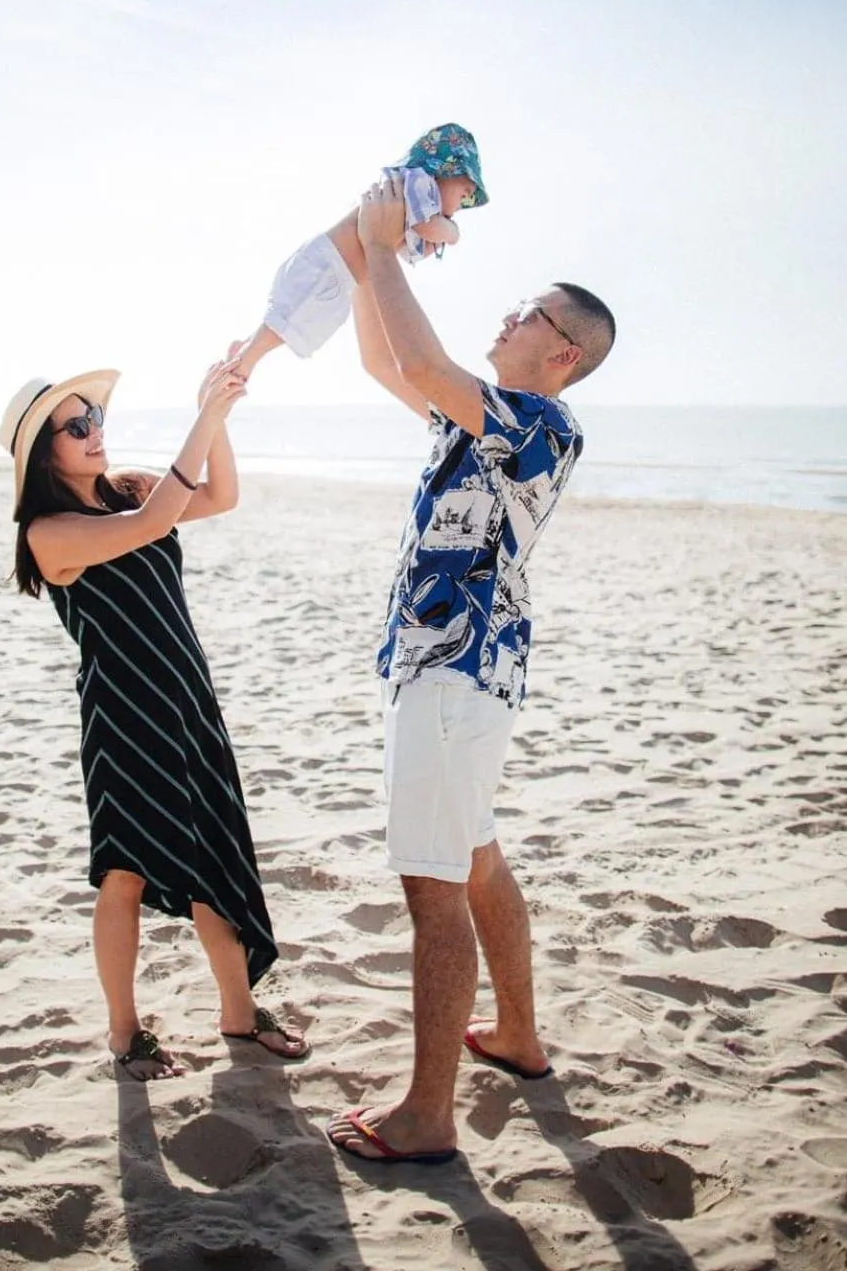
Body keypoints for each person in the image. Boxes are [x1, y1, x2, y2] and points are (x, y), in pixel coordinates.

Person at [327, 176, 616, 1165]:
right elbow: (383, 355)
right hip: (458, 672)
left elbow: (419, 352)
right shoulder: (480, 415)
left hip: (454, 672)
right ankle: (521, 1037)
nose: (509, 312)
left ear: (563, 349)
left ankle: (427, 1114)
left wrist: (389, 246)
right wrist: (368, 254)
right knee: (477, 854)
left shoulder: (538, 422)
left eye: (529, 309)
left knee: (434, 884)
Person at [0, 357, 308, 1080]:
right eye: (76, 425)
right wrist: (206, 415)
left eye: (94, 417)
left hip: (187, 697)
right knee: (126, 872)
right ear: (45, 451)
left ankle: (238, 1011)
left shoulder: (129, 485)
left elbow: (220, 495)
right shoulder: (49, 532)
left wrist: (216, 416)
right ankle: (124, 1031)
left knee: (215, 850)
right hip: (123, 714)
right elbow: (156, 521)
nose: (94, 431)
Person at [234, 123, 488, 377]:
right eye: (464, 193)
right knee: (286, 325)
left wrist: (434, 237)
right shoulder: (419, 181)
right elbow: (427, 226)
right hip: (327, 267)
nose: (460, 206)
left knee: (290, 325)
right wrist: (452, 233)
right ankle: (241, 365)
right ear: (447, 170)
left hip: (336, 274)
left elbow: (409, 249)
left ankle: (243, 351)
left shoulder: (414, 197)